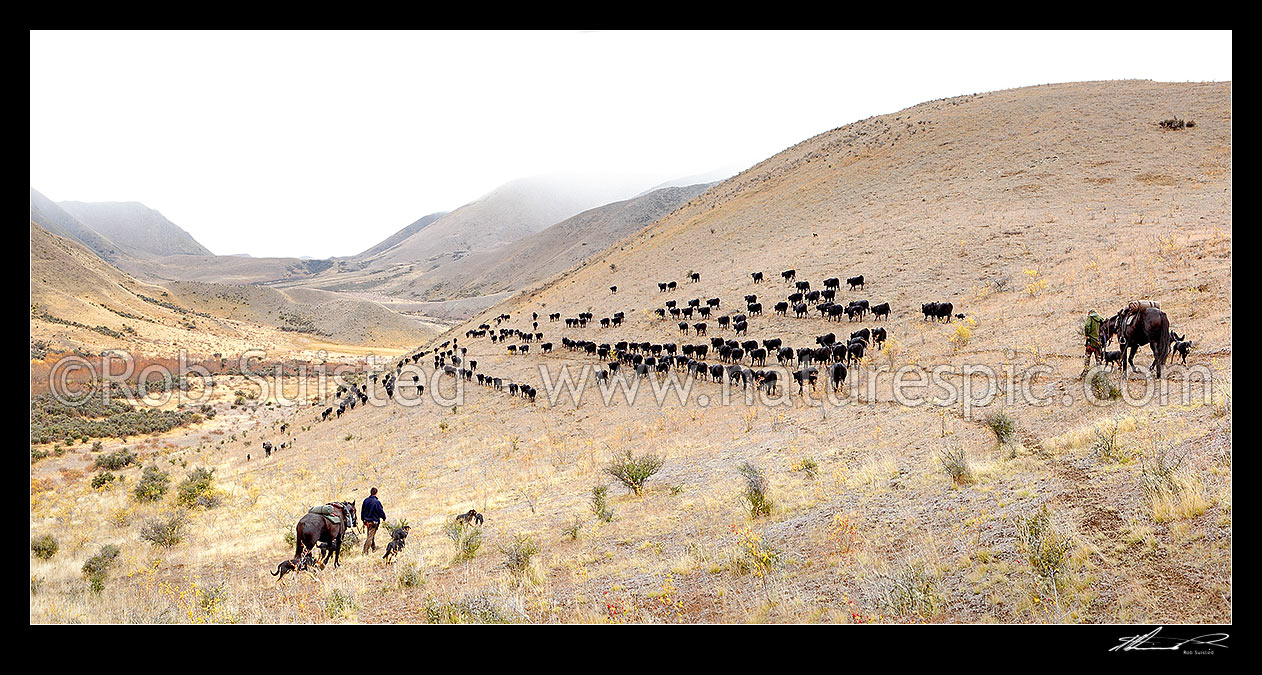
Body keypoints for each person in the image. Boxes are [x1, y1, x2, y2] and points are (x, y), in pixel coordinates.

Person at [1080, 309, 1105, 377]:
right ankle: (1100, 374)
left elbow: (1087, 326)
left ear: (1090, 313)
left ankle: (1086, 371)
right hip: (1098, 341)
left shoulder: (1090, 317)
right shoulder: (1100, 318)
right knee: (1098, 358)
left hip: (1091, 341)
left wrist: (1087, 334)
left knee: (1087, 357)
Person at [361, 487, 386, 554]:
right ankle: (365, 551)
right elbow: (380, 511)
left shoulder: (365, 500)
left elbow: (362, 511)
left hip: (366, 521)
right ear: (376, 493)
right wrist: (384, 517)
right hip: (373, 522)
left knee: (370, 535)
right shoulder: (376, 502)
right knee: (370, 537)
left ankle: (373, 548)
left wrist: (363, 519)